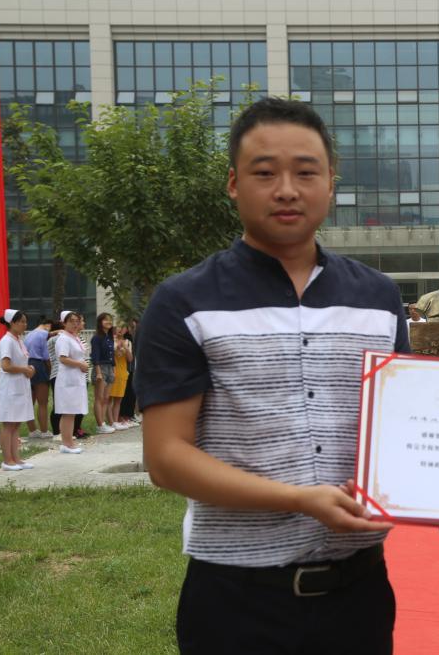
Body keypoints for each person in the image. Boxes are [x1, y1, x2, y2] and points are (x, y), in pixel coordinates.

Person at [135, 97, 403, 654]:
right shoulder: (184, 301)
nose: (286, 190)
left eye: (306, 172)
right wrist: (299, 498)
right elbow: (166, 457)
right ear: (234, 184)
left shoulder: (378, 298)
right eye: (264, 173)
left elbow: (403, 434)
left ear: (331, 183)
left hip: (359, 593)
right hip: (236, 600)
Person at [0, 309, 37, 470]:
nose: (25, 325)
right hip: (10, 388)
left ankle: (16, 458)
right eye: (22, 322)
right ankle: (7, 460)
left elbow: (21, 362)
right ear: (12, 323)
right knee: (9, 424)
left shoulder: (19, 340)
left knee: (16, 424)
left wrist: (30, 368)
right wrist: (24, 369)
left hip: (20, 386)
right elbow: (5, 366)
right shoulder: (7, 341)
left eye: (25, 322)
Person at [55, 311, 89, 454]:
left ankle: (69, 442)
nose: (75, 324)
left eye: (77, 321)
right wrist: (80, 364)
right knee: (67, 412)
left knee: (72, 412)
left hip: (76, 378)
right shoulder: (63, 339)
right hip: (68, 379)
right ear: (64, 323)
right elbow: (63, 358)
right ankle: (66, 443)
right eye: (71, 321)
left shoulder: (74, 338)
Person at [23, 318, 54, 439]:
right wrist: (50, 371)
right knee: (43, 402)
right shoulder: (44, 334)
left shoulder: (29, 335)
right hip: (39, 365)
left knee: (30, 401)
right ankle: (44, 431)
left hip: (27, 364)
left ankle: (32, 430)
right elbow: (46, 357)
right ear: (47, 325)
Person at [90, 312, 117, 434]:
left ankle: (104, 423)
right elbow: (95, 356)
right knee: (99, 398)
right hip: (100, 368)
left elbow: (112, 356)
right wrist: (98, 373)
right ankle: (100, 425)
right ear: (100, 322)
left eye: (110, 320)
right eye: (105, 320)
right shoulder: (96, 337)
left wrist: (114, 370)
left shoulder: (109, 337)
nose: (108, 322)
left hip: (110, 368)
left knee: (106, 398)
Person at [107, 323, 133, 430]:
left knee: (118, 399)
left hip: (122, 372)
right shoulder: (110, 341)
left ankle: (116, 421)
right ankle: (111, 421)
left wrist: (125, 348)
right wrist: (117, 347)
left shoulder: (127, 342)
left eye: (122, 328)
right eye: (118, 328)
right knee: (109, 398)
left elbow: (130, 359)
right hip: (112, 371)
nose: (120, 330)